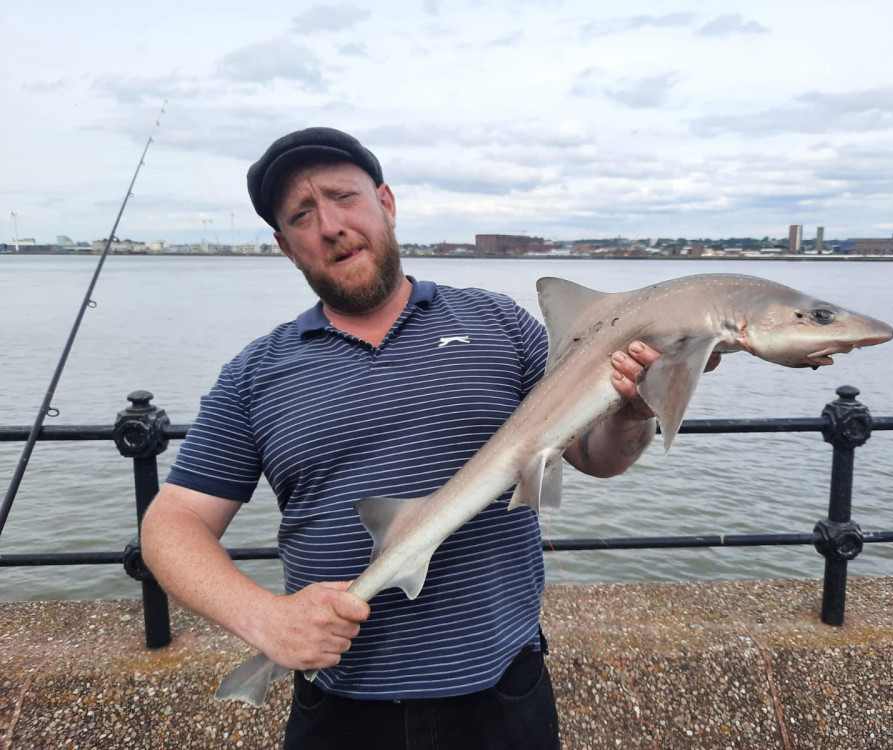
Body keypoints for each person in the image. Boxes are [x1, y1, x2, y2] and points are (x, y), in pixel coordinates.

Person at [140, 127, 715, 749]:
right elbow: (171, 524)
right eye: (302, 214)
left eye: (343, 197)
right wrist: (263, 617)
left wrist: (631, 413)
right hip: (341, 710)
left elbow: (595, 459)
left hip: (502, 696)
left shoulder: (501, 325)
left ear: (385, 203)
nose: (330, 225)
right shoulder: (257, 372)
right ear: (285, 246)